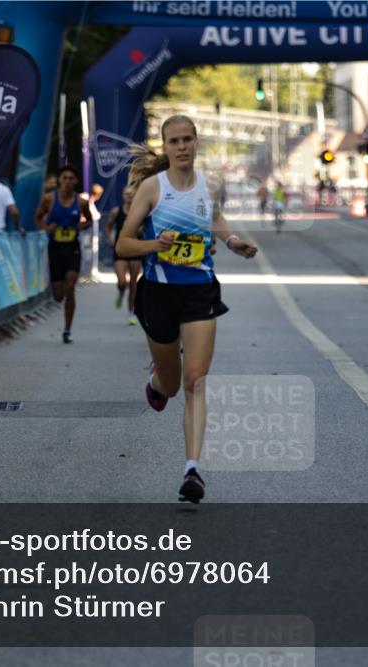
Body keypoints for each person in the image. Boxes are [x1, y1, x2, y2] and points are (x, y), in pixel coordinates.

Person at [115, 114, 258, 504]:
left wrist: (230, 242)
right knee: (173, 384)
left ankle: (191, 470)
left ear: (197, 143)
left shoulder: (209, 185)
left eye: (187, 140)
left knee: (196, 380)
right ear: (165, 147)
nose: (181, 147)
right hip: (159, 293)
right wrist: (153, 247)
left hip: (199, 291)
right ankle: (157, 382)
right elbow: (123, 245)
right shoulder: (150, 188)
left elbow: (213, 218)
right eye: (174, 141)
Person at [35, 165, 93, 343]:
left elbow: (89, 220)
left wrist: (79, 227)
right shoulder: (49, 199)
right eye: (64, 178)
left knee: (70, 286)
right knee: (58, 295)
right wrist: (46, 228)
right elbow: (38, 217)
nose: (67, 182)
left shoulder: (81, 202)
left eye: (71, 178)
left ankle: (67, 329)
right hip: (55, 248)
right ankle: (62, 302)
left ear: (75, 181)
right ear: (60, 180)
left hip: (72, 248)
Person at [103, 182, 143, 325]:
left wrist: (140, 231)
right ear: (123, 196)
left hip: (135, 249)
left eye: (132, 194)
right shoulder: (116, 211)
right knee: (122, 282)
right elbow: (107, 227)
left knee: (133, 284)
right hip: (120, 249)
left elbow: (146, 228)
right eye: (127, 194)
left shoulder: (140, 211)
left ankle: (131, 313)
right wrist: (110, 239)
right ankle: (120, 292)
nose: (129, 196)